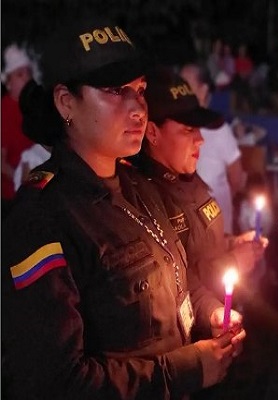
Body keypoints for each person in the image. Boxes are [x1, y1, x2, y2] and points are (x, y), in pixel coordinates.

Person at [1, 19, 245, 399]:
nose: (137, 108)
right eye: (115, 91)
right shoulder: (43, 219)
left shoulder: (141, 186)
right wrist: (185, 370)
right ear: (66, 102)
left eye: (140, 90)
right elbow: (56, 382)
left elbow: (176, 277)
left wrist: (210, 311)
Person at [134, 66, 266, 298]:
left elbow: (200, 245)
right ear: (152, 132)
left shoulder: (188, 179)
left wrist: (232, 244)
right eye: (188, 129)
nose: (201, 140)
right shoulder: (142, 200)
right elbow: (174, 282)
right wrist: (233, 262)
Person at [180, 62, 245, 234]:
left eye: (186, 85)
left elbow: (236, 177)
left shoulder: (218, 129)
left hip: (216, 227)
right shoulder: (173, 127)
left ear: (203, 90)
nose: (179, 91)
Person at [1, 44, 35, 211]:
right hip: (14, 199)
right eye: (20, 74)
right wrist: (22, 181)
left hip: (37, 190)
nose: (26, 78)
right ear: (8, 81)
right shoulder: (4, 111)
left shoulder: (32, 106)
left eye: (28, 73)